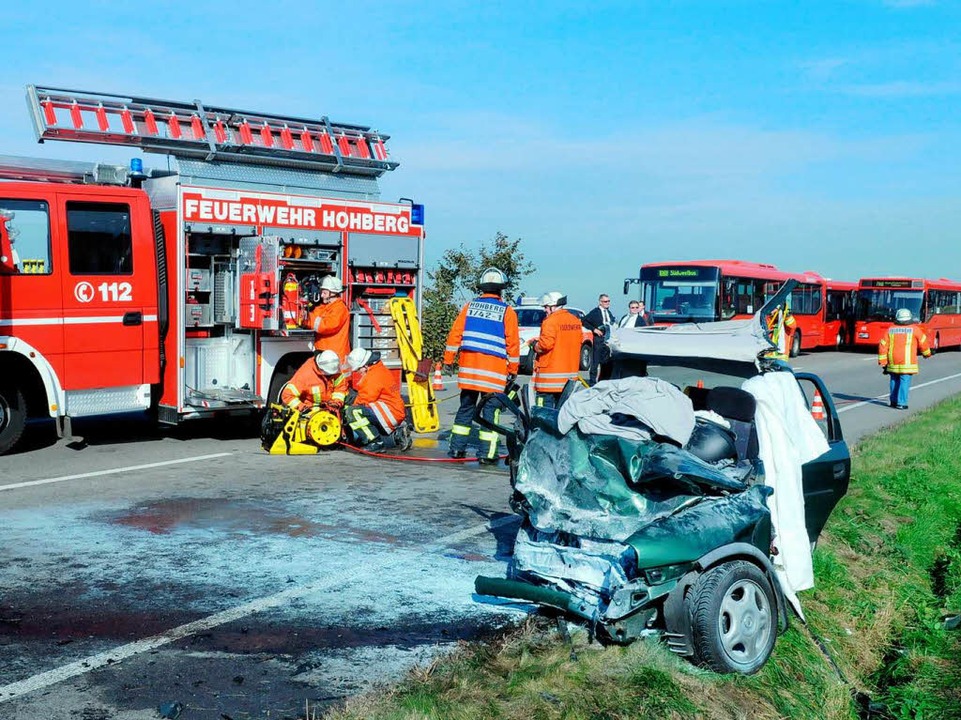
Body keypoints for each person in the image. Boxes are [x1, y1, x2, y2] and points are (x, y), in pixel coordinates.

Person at [443, 267, 520, 463]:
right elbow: (512, 344)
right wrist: (513, 370)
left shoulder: (469, 307)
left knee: (466, 410)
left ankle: (457, 450)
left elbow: (455, 334)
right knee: (490, 413)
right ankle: (487, 453)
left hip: (469, 373)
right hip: (493, 376)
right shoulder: (507, 311)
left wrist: (448, 360)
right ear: (501, 289)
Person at [344, 347, 411, 451]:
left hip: (390, 412)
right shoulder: (378, 369)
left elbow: (364, 400)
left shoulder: (373, 376)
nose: (358, 372)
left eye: (358, 369)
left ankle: (376, 443)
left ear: (365, 365)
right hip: (392, 411)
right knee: (364, 436)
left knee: (353, 412)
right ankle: (397, 436)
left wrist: (348, 408)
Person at [530, 291, 582, 408]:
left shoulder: (550, 321)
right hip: (569, 377)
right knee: (562, 414)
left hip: (549, 379)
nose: (545, 310)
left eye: (546, 307)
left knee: (543, 413)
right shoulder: (575, 321)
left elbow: (545, 345)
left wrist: (534, 346)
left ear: (553, 306)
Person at [879, 308, 931, 410]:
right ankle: (901, 403)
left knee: (894, 380)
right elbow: (923, 342)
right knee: (904, 381)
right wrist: (927, 354)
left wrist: (883, 362)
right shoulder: (915, 329)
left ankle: (893, 401)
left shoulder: (891, 329)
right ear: (909, 317)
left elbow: (883, 345)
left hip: (893, 361)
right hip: (907, 362)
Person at [279, 350, 349, 412]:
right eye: (328, 374)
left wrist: (336, 402)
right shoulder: (305, 375)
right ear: (321, 368)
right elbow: (287, 395)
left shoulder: (335, 369)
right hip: (311, 412)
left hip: (330, 410)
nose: (330, 376)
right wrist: (302, 408)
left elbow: (340, 388)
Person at [305, 275, 350, 360]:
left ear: (333, 293)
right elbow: (316, 314)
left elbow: (326, 326)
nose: (321, 295)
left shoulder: (340, 308)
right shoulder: (327, 306)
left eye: (324, 293)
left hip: (336, 356)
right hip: (326, 353)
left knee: (341, 373)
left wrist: (306, 319)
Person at [582, 293, 615, 385]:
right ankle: (592, 382)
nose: (607, 303)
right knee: (595, 362)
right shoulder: (595, 312)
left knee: (606, 362)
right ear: (600, 302)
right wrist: (594, 329)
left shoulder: (609, 312)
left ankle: (603, 380)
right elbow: (584, 321)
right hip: (598, 340)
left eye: (608, 301)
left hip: (607, 341)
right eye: (605, 301)